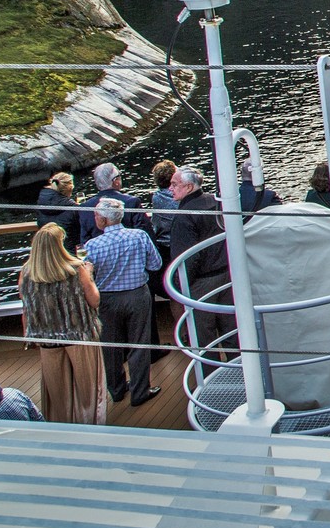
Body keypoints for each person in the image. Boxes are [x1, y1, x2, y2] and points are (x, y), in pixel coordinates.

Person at [18, 223, 104, 424]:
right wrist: (89, 274)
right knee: (89, 392)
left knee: (57, 395)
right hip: (79, 335)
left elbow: (27, 308)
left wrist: (28, 336)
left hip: (46, 338)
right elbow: (95, 300)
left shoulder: (27, 273)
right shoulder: (77, 269)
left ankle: (62, 428)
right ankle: (91, 428)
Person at [83, 199, 163, 407]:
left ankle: (117, 390)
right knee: (139, 344)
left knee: (111, 346)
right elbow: (155, 264)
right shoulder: (139, 236)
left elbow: (88, 276)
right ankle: (140, 391)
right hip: (137, 295)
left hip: (107, 299)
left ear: (102, 219)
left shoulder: (92, 245)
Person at [167, 165, 232, 354]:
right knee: (231, 330)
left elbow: (187, 258)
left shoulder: (184, 216)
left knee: (204, 338)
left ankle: (211, 379)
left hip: (202, 283)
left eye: (174, 184)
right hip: (227, 275)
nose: (170, 188)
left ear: (188, 187)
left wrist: (181, 287)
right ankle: (241, 372)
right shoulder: (214, 201)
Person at [78, 162, 149, 241]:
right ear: (115, 181)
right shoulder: (132, 202)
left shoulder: (85, 207)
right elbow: (146, 234)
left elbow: (84, 240)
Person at [36, 171, 81, 251]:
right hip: (68, 254)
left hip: (47, 253)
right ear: (70, 188)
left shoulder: (41, 204)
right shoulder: (72, 208)